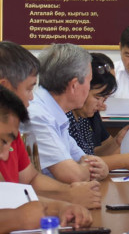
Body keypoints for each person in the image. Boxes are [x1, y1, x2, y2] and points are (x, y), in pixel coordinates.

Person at [0, 41, 100, 209]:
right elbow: (5, 199)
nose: (32, 98)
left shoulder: (11, 128)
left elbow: (30, 179)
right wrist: (63, 202)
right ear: (5, 87)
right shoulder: (30, 117)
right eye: (29, 89)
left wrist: (67, 196)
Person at [0, 85, 92, 231]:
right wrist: (16, 218)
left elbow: (20, 191)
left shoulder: (9, 130)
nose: (5, 155)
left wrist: (59, 208)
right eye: (3, 142)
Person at [24, 43, 109, 183]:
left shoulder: (56, 112)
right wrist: (89, 170)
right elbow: (73, 175)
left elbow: (86, 159)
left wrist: (101, 167)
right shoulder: (38, 116)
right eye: (89, 81)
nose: (89, 87)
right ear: (74, 85)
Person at [68, 53, 129, 171]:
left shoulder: (82, 116)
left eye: (104, 98)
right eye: (97, 97)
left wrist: (117, 141)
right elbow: (75, 166)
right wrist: (123, 161)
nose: (102, 104)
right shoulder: (65, 116)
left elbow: (90, 155)